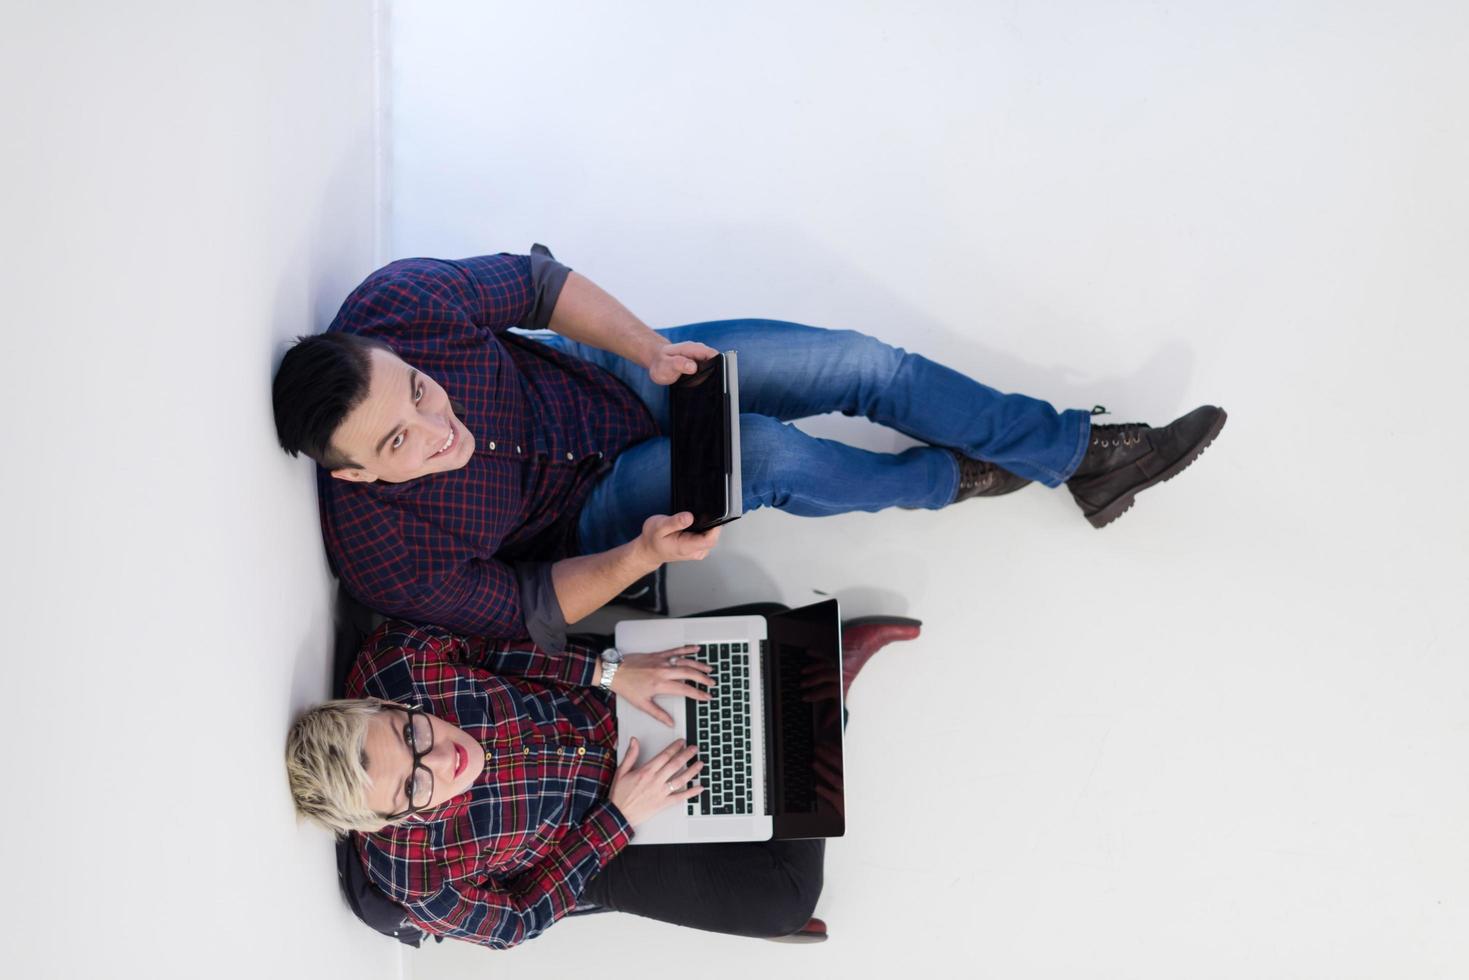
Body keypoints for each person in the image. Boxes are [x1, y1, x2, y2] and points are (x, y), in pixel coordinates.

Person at [272, 248, 1226, 649]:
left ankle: (1075, 454)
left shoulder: (398, 307)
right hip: (592, 507)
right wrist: (641, 555)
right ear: (355, 473)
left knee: (857, 362)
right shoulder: (379, 553)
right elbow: (527, 603)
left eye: (422, 391)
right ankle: (953, 478)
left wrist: (645, 346)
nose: (441, 430)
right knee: (765, 457)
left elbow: (536, 286)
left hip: (606, 375)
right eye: (405, 441)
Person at [284, 617, 914, 947]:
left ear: (383, 708)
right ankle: (826, 706)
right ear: (393, 819)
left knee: (773, 633)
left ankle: (819, 693)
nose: (441, 759)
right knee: (785, 900)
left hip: (605, 704)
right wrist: (619, 819)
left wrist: (612, 673)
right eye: (414, 788)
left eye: (411, 734)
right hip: (599, 840)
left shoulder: (396, 664)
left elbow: (500, 648)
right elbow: (515, 923)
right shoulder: (410, 872)